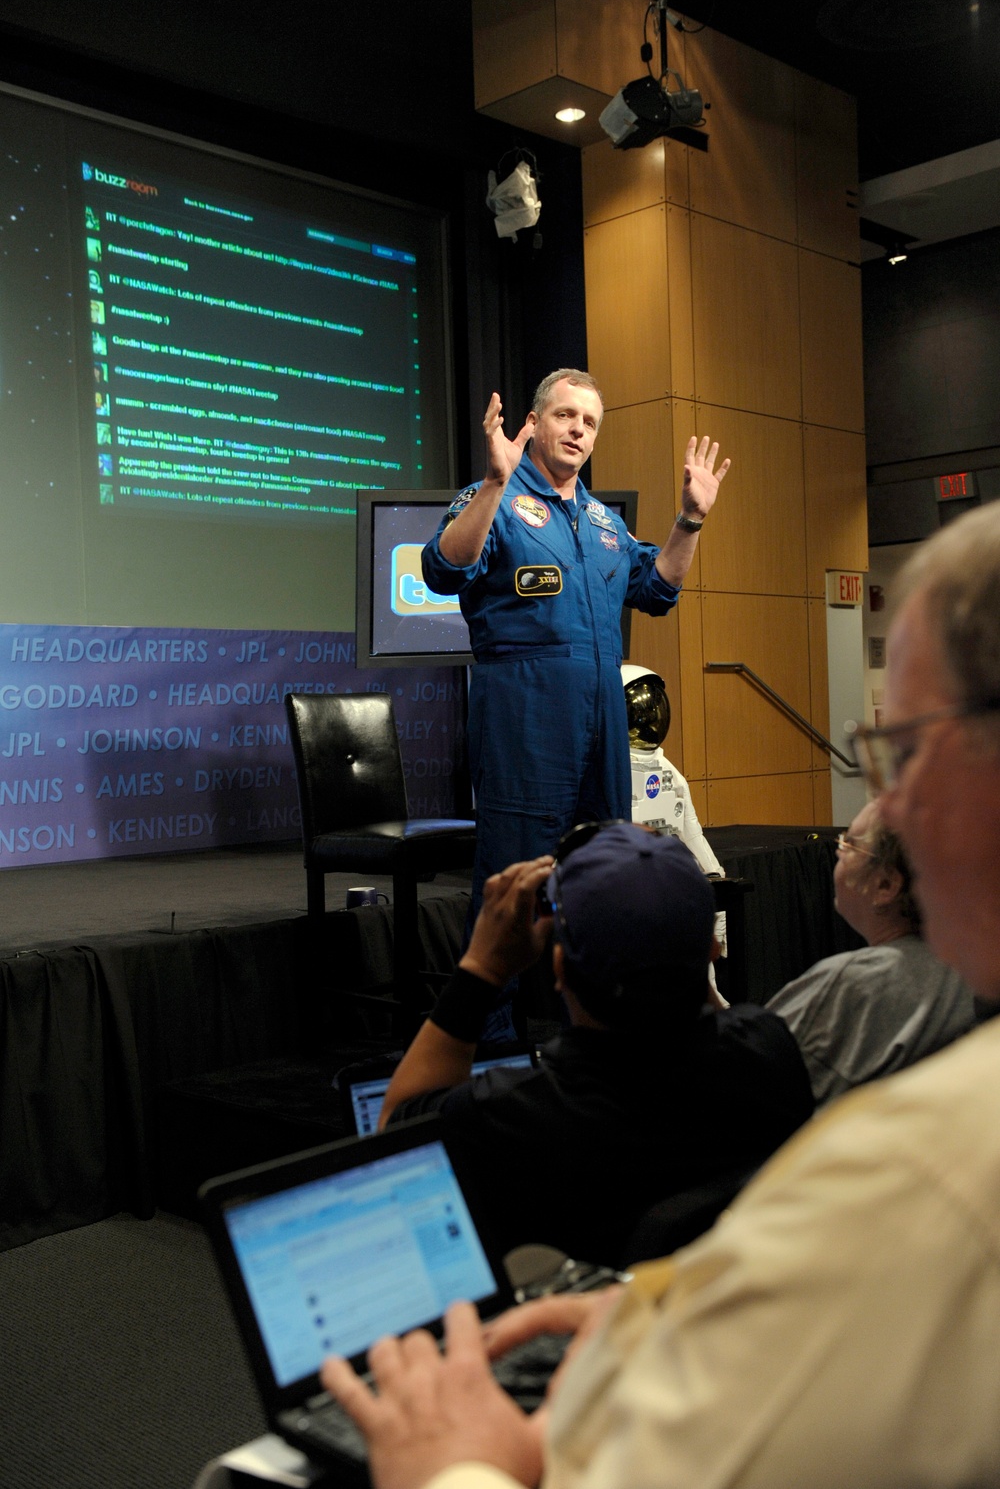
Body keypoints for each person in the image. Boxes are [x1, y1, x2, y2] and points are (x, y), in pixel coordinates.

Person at [322, 499, 1000, 1489]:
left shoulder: (910, 1179)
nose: (882, 806)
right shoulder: (773, 1061)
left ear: (559, 966)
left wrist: (451, 1469)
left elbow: (401, 1140)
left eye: (900, 748)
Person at [378, 824, 813, 1266]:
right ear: (714, 949)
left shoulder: (510, 1118)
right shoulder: (769, 1050)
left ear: (560, 967)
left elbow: (397, 1131)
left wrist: (482, 967)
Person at [421, 371, 730, 950]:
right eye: (566, 415)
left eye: (589, 423)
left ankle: (588, 1026)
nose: (578, 430)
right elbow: (442, 568)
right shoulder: (496, 499)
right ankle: (492, 1038)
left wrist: (690, 519)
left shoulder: (603, 521)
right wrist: (494, 481)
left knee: (602, 885)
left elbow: (657, 589)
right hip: (524, 718)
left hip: (601, 725)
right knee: (512, 885)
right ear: (534, 423)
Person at [767, 800, 975, 1103]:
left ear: (886, 885)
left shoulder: (852, 985)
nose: (838, 851)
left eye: (849, 845)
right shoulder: (974, 970)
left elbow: (739, 1080)